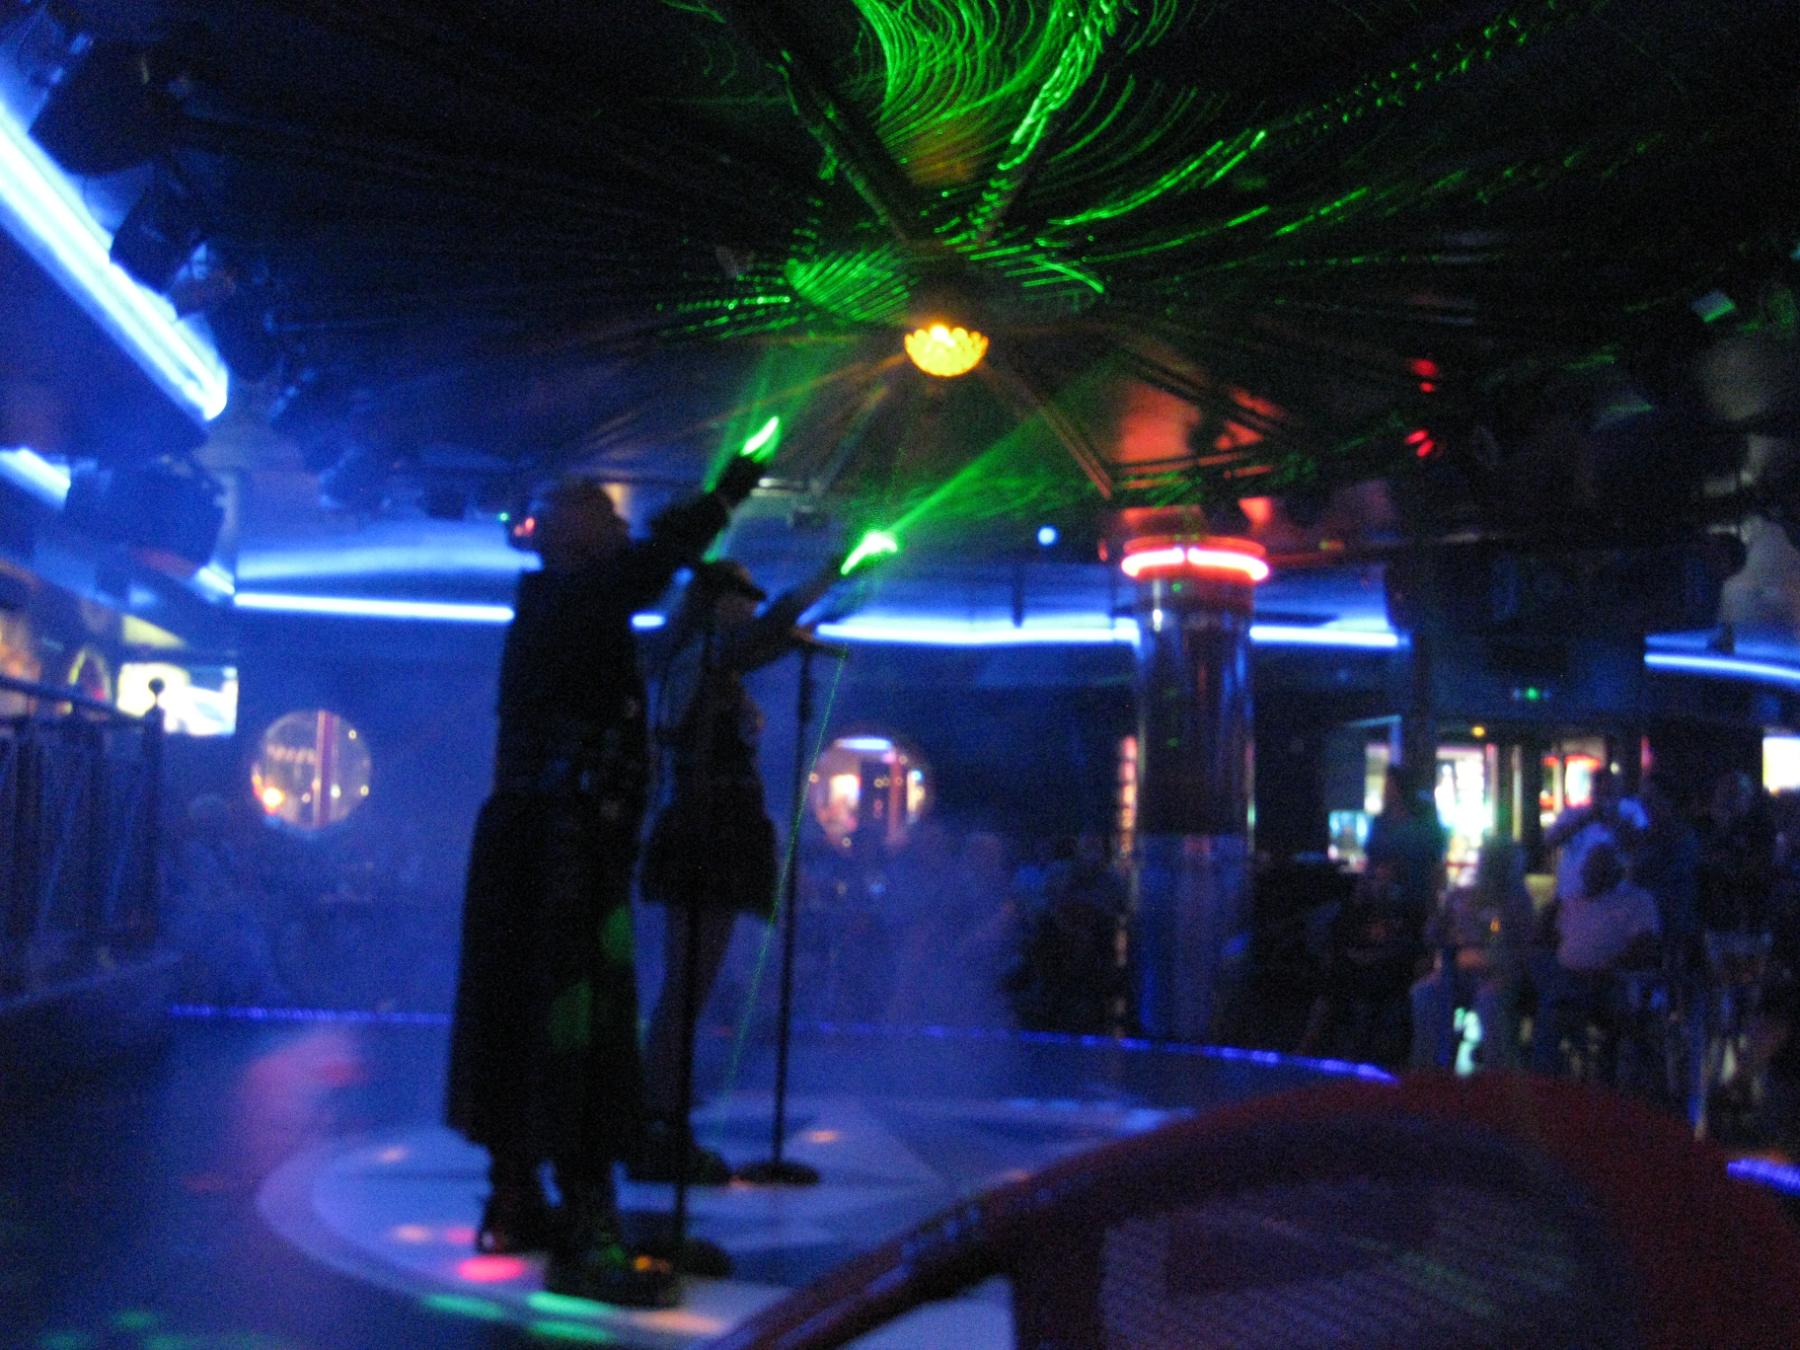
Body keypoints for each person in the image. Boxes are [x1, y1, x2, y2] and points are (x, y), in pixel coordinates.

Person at [443, 455, 761, 1308]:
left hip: (553, 848)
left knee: (533, 1025)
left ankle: (517, 1202)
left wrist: (693, 604)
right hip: (558, 854)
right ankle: (586, 1232)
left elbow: (641, 626)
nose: (620, 519)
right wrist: (720, 499)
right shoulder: (570, 600)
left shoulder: (572, 610)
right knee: (579, 1029)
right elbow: (643, 568)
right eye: (600, 509)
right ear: (561, 535)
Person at [634, 552, 850, 1181]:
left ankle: (659, 1112)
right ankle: (656, 1120)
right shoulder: (700, 657)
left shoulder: (710, 661)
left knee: (691, 987)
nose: (752, 607)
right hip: (705, 830)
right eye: (744, 596)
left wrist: (826, 604)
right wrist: (828, 573)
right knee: (687, 987)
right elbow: (769, 629)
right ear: (716, 600)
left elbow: (770, 636)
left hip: (714, 827)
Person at [1530, 841, 1662, 1080]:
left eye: (1596, 869)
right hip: (1567, 979)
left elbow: (1644, 948)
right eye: (1587, 869)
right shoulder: (1573, 902)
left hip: (1611, 982)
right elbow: (1547, 940)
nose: (1587, 874)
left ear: (1614, 871)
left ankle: (1594, 1076)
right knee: (1541, 975)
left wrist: (1607, 967)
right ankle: (1543, 1079)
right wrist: (1546, 916)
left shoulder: (1635, 901)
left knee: (1557, 1009)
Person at [1409, 837, 1534, 1070]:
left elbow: (1522, 949)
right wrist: (1437, 906)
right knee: (1425, 992)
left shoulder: (1517, 900)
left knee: (1489, 999)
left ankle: (1499, 1073)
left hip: (1500, 975)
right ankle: (1429, 1070)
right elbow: (1433, 934)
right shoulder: (1462, 894)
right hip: (1457, 972)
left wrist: (1492, 958)